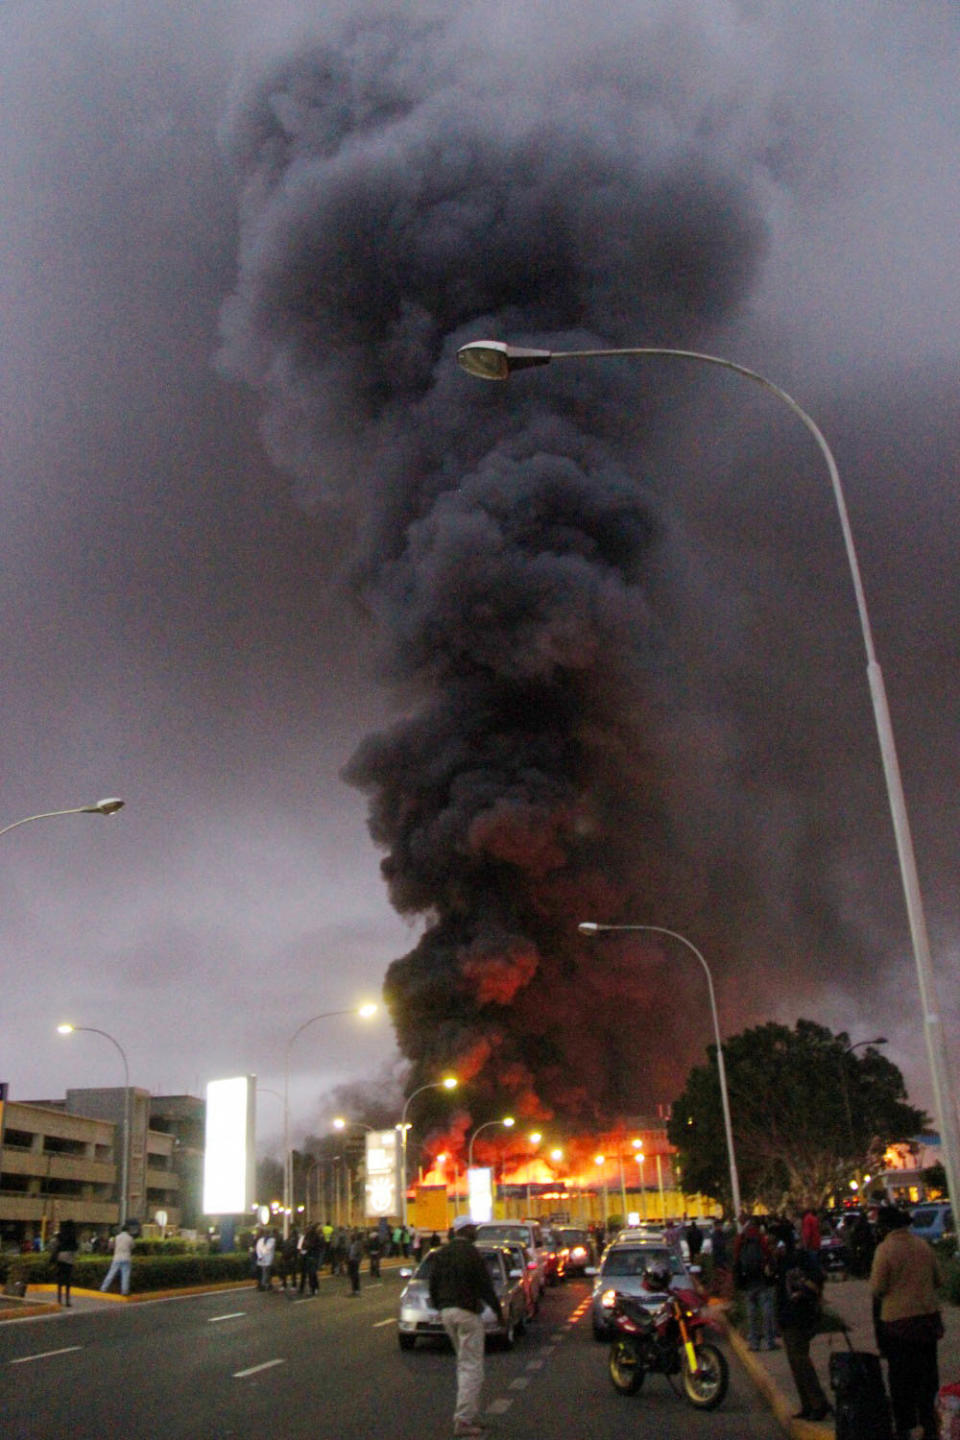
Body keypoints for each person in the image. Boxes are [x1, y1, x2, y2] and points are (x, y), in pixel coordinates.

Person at [871, 1204, 943, 1440]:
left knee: (901, 1378)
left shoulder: (885, 1250)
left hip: (898, 1323)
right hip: (927, 1320)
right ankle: (929, 1422)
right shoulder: (923, 1246)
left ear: (885, 1227)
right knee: (928, 1375)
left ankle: (906, 1426)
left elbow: (878, 1287)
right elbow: (938, 1279)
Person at [428, 1217, 503, 1439]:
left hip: (447, 1312)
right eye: (473, 1228)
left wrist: (439, 1306)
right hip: (467, 1313)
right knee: (471, 1367)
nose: (476, 1232)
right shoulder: (472, 1254)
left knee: (463, 1363)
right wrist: (498, 1312)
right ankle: (464, 1420)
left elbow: (433, 1283)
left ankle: (470, 1413)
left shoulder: (441, 1253)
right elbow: (485, 1285)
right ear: (466, 1231)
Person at [776, 1219, 831, 1421]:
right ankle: (807, 1403)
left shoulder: (799, 1258)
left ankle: (818, 1403)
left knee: (800, 1361)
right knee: (795, 1362)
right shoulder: (780, 1262)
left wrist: (803, 1292)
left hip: (799, 1316)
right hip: (787, 1317)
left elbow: (817, 1277)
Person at [733, 1216, 778, 1351]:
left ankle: (754, 1343)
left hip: (748, 1281)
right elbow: (768, 1256)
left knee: (751, 1312)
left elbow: (736, 1260)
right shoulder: (760, 1238)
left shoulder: (741, 1239)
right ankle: (770, 1342)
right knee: (767, 1311)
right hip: (761, 1279)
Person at [100, 1224, 135, 1296]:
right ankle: (125, 1291)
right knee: (125, 1275)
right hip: (126, 1257)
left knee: (111, 1273)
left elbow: (111, 1246)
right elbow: (133, 1246)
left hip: (117, 1257)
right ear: (128, 1230)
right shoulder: (130, 1238)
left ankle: (104, 1288)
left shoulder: (117, 1237)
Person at [51, 1219, 78, 1307]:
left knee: (60, 1279)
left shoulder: (60, 1235)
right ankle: (67, 1300)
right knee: (68, 1280)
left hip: (60, 1257)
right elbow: (75, 1247)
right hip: (69, 1258)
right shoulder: (73, 1235)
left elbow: (55, 1246)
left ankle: (59, 1299)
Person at [347, 1230, 363, 1295]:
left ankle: (357, 1290)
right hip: (350, 1261)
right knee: (351, 1275)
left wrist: (358, 1260)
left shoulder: (358, 1244)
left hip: (355, 1261)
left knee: (355, 1276)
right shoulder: (351, 1244)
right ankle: (354, 1289)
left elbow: (360, 1253)